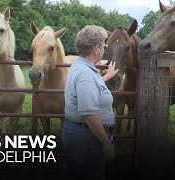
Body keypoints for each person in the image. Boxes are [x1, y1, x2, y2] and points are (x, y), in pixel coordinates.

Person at [62, 25, 119, 180]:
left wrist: (107, 77)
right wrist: (106, 143)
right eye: (104, 45)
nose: (104, 49)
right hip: (87, 138)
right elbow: (89, 114)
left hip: (82, 135)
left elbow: (89, 88)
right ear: (96, 48)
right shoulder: (85, 74)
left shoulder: (81, 66)